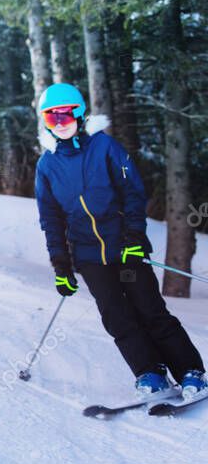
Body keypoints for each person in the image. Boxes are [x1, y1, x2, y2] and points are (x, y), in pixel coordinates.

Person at [34, 83, 205, 400]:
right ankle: (150, 374)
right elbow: (51, 220)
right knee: (116, 317)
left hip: (126, 249)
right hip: (89, 258)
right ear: (44, 121)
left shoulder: (105, 147)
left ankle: (190, 371)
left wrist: (135, 237)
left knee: (150, 310)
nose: (60, 122)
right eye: (51, 116)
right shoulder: (47, 165)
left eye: (65, 114)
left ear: (80, 113)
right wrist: (61, 264)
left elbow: (133, 194)